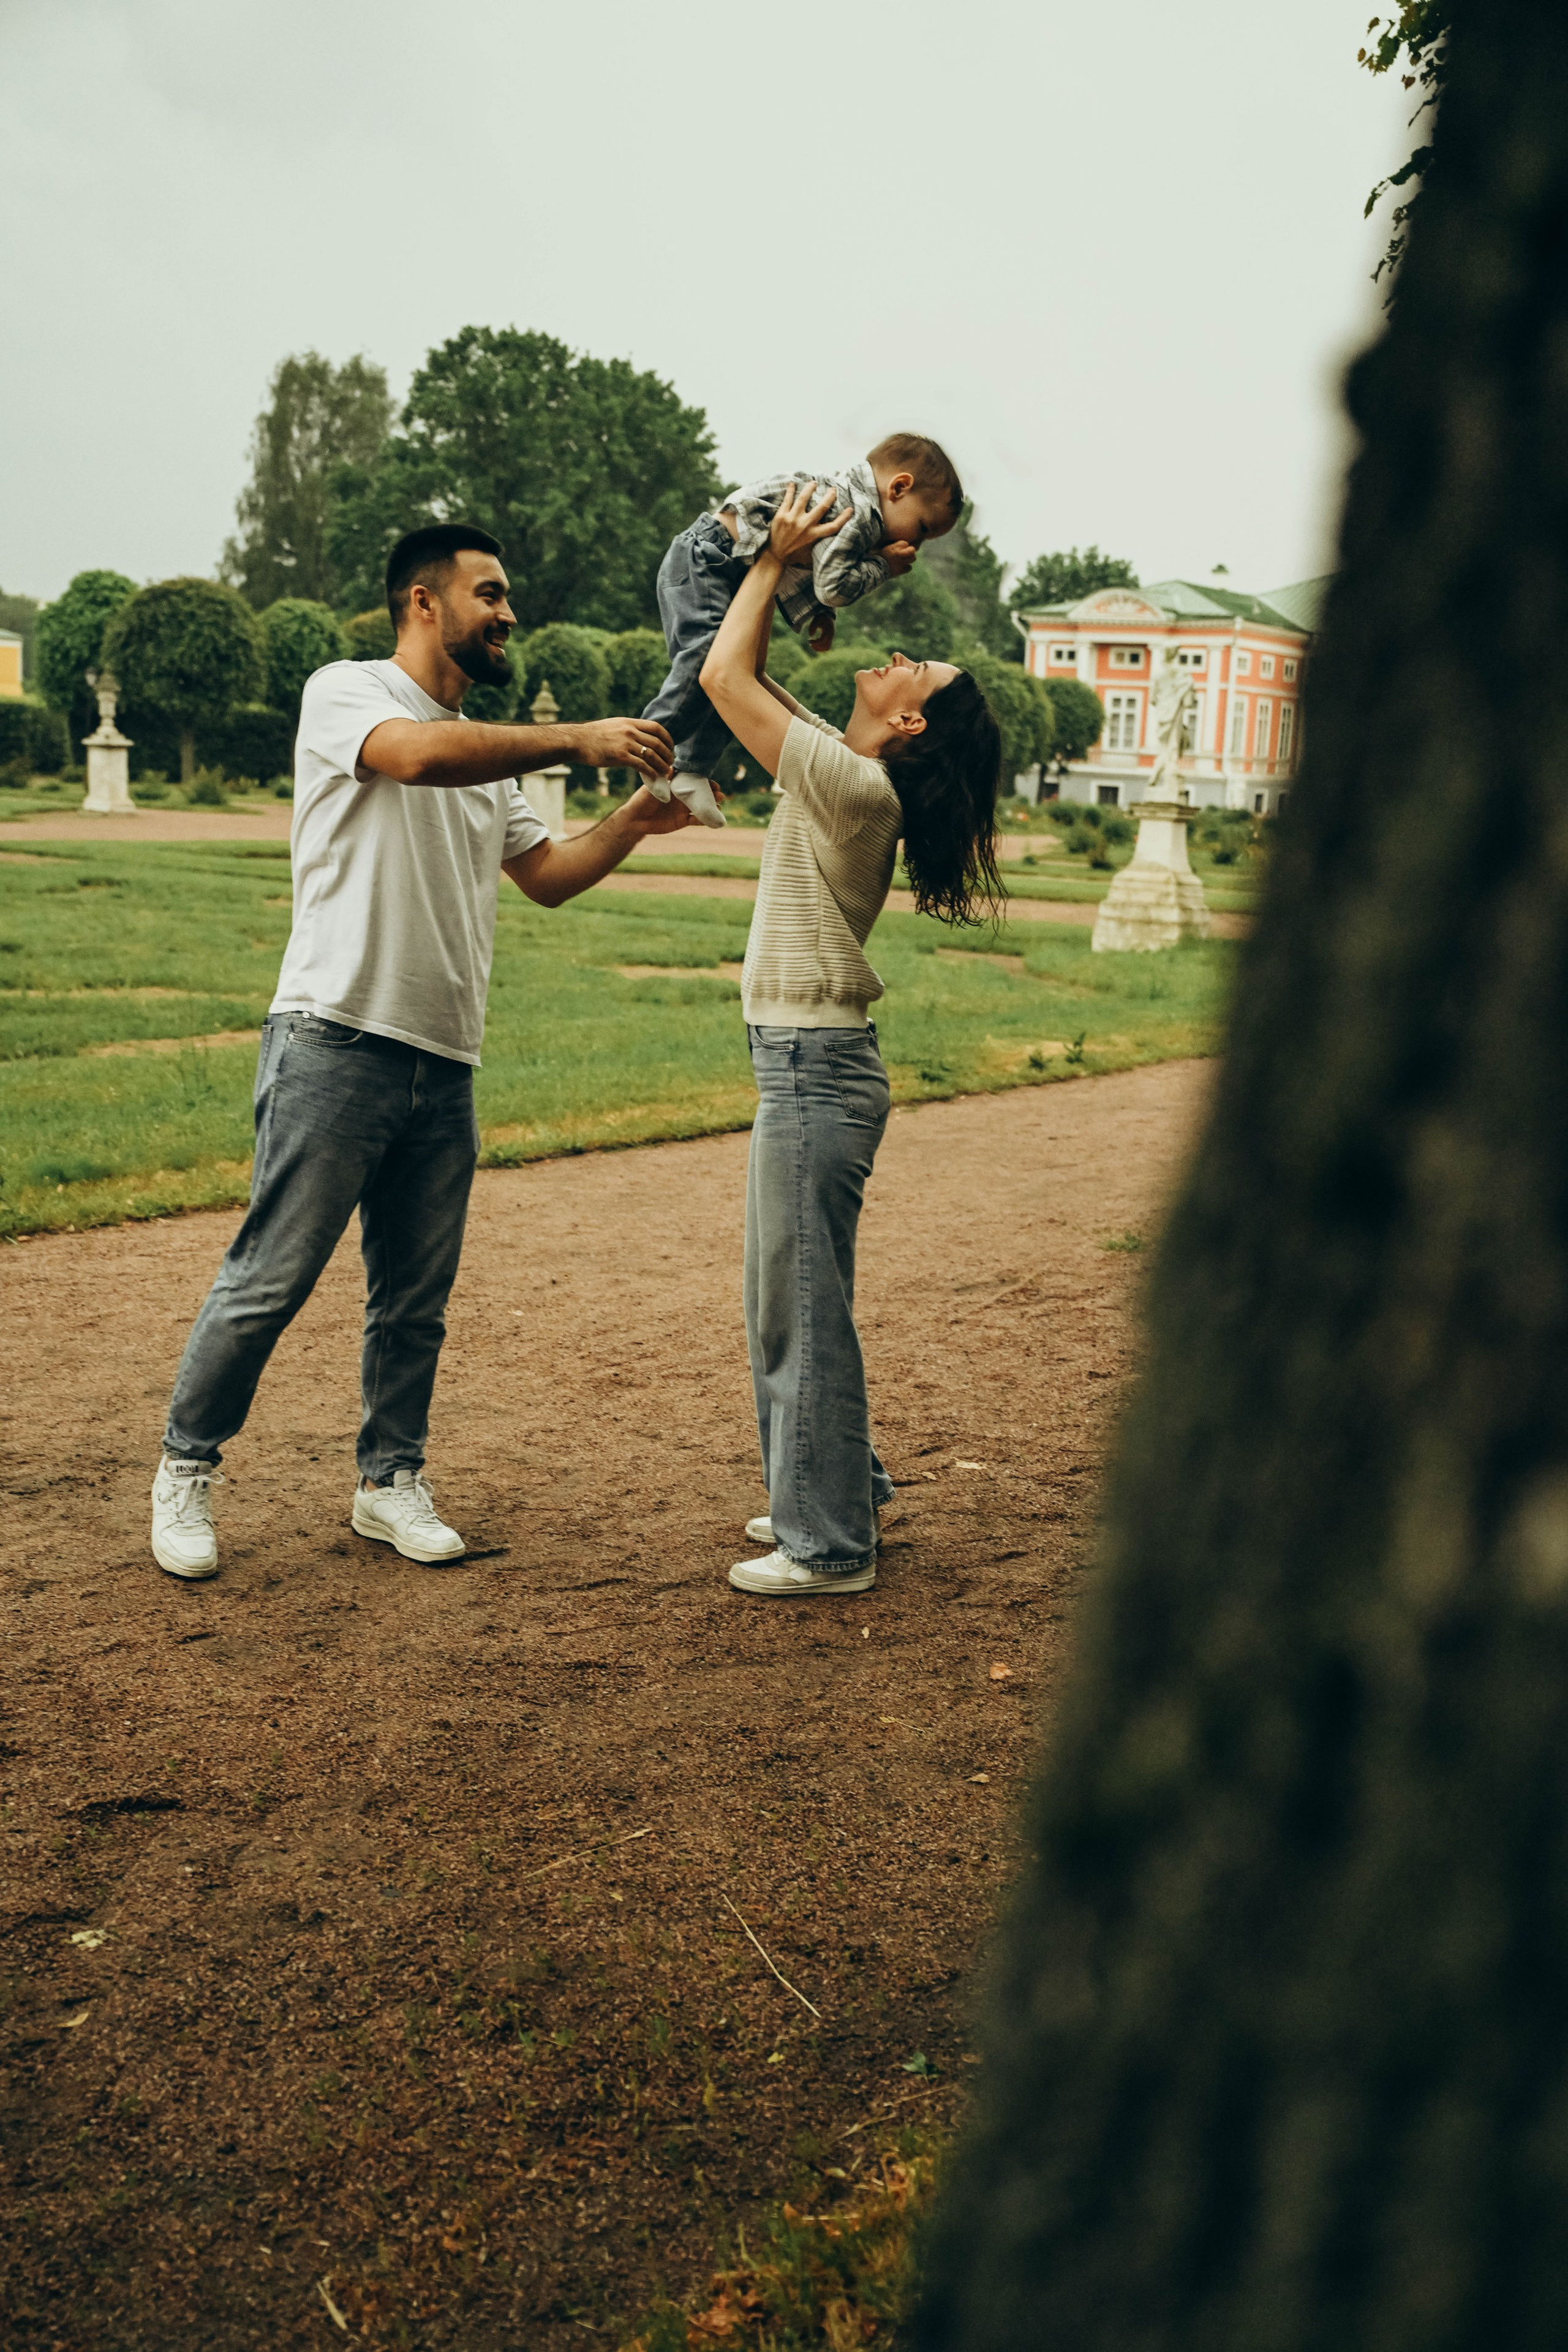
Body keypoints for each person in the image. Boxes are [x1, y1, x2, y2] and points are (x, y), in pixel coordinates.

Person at [149, 523, 687, 1583]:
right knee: (270, 1278)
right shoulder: (349, 693)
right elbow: (412, 759)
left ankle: (389, 1482)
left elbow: (547, 875)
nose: (509, 613)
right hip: (333, 1038)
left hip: (444, 1060)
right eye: (491, 593)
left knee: (415, 1302)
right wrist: (578, 737)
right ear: (423, 603)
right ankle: (185, 1469)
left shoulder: (485, 753)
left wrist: (636, 819)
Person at [698, 484, 1003, 1597]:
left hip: (812, 1070)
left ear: (911, 722)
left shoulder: (857, 788)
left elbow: (723, 681)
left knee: (797, 1309)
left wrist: (775, 564)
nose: (898, 655)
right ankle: (841, 1482)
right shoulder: (843, 766)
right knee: (805, 1297)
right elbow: (758, 678)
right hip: (815, 1068)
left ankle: (826, 1545)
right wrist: (771, 582)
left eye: (914, 669)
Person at [641, 433, 963, 831]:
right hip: (710, 559)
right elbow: (832, 583)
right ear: (898, 488)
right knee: (710, 661)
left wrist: (819, 613)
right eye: (922, 528)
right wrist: (883, 566)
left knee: (728, 683)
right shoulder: (860, 514)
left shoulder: (854, 506)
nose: (913, 543)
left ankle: (692, 769)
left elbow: (812, 565)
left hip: (731, 564)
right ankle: (648, 745)